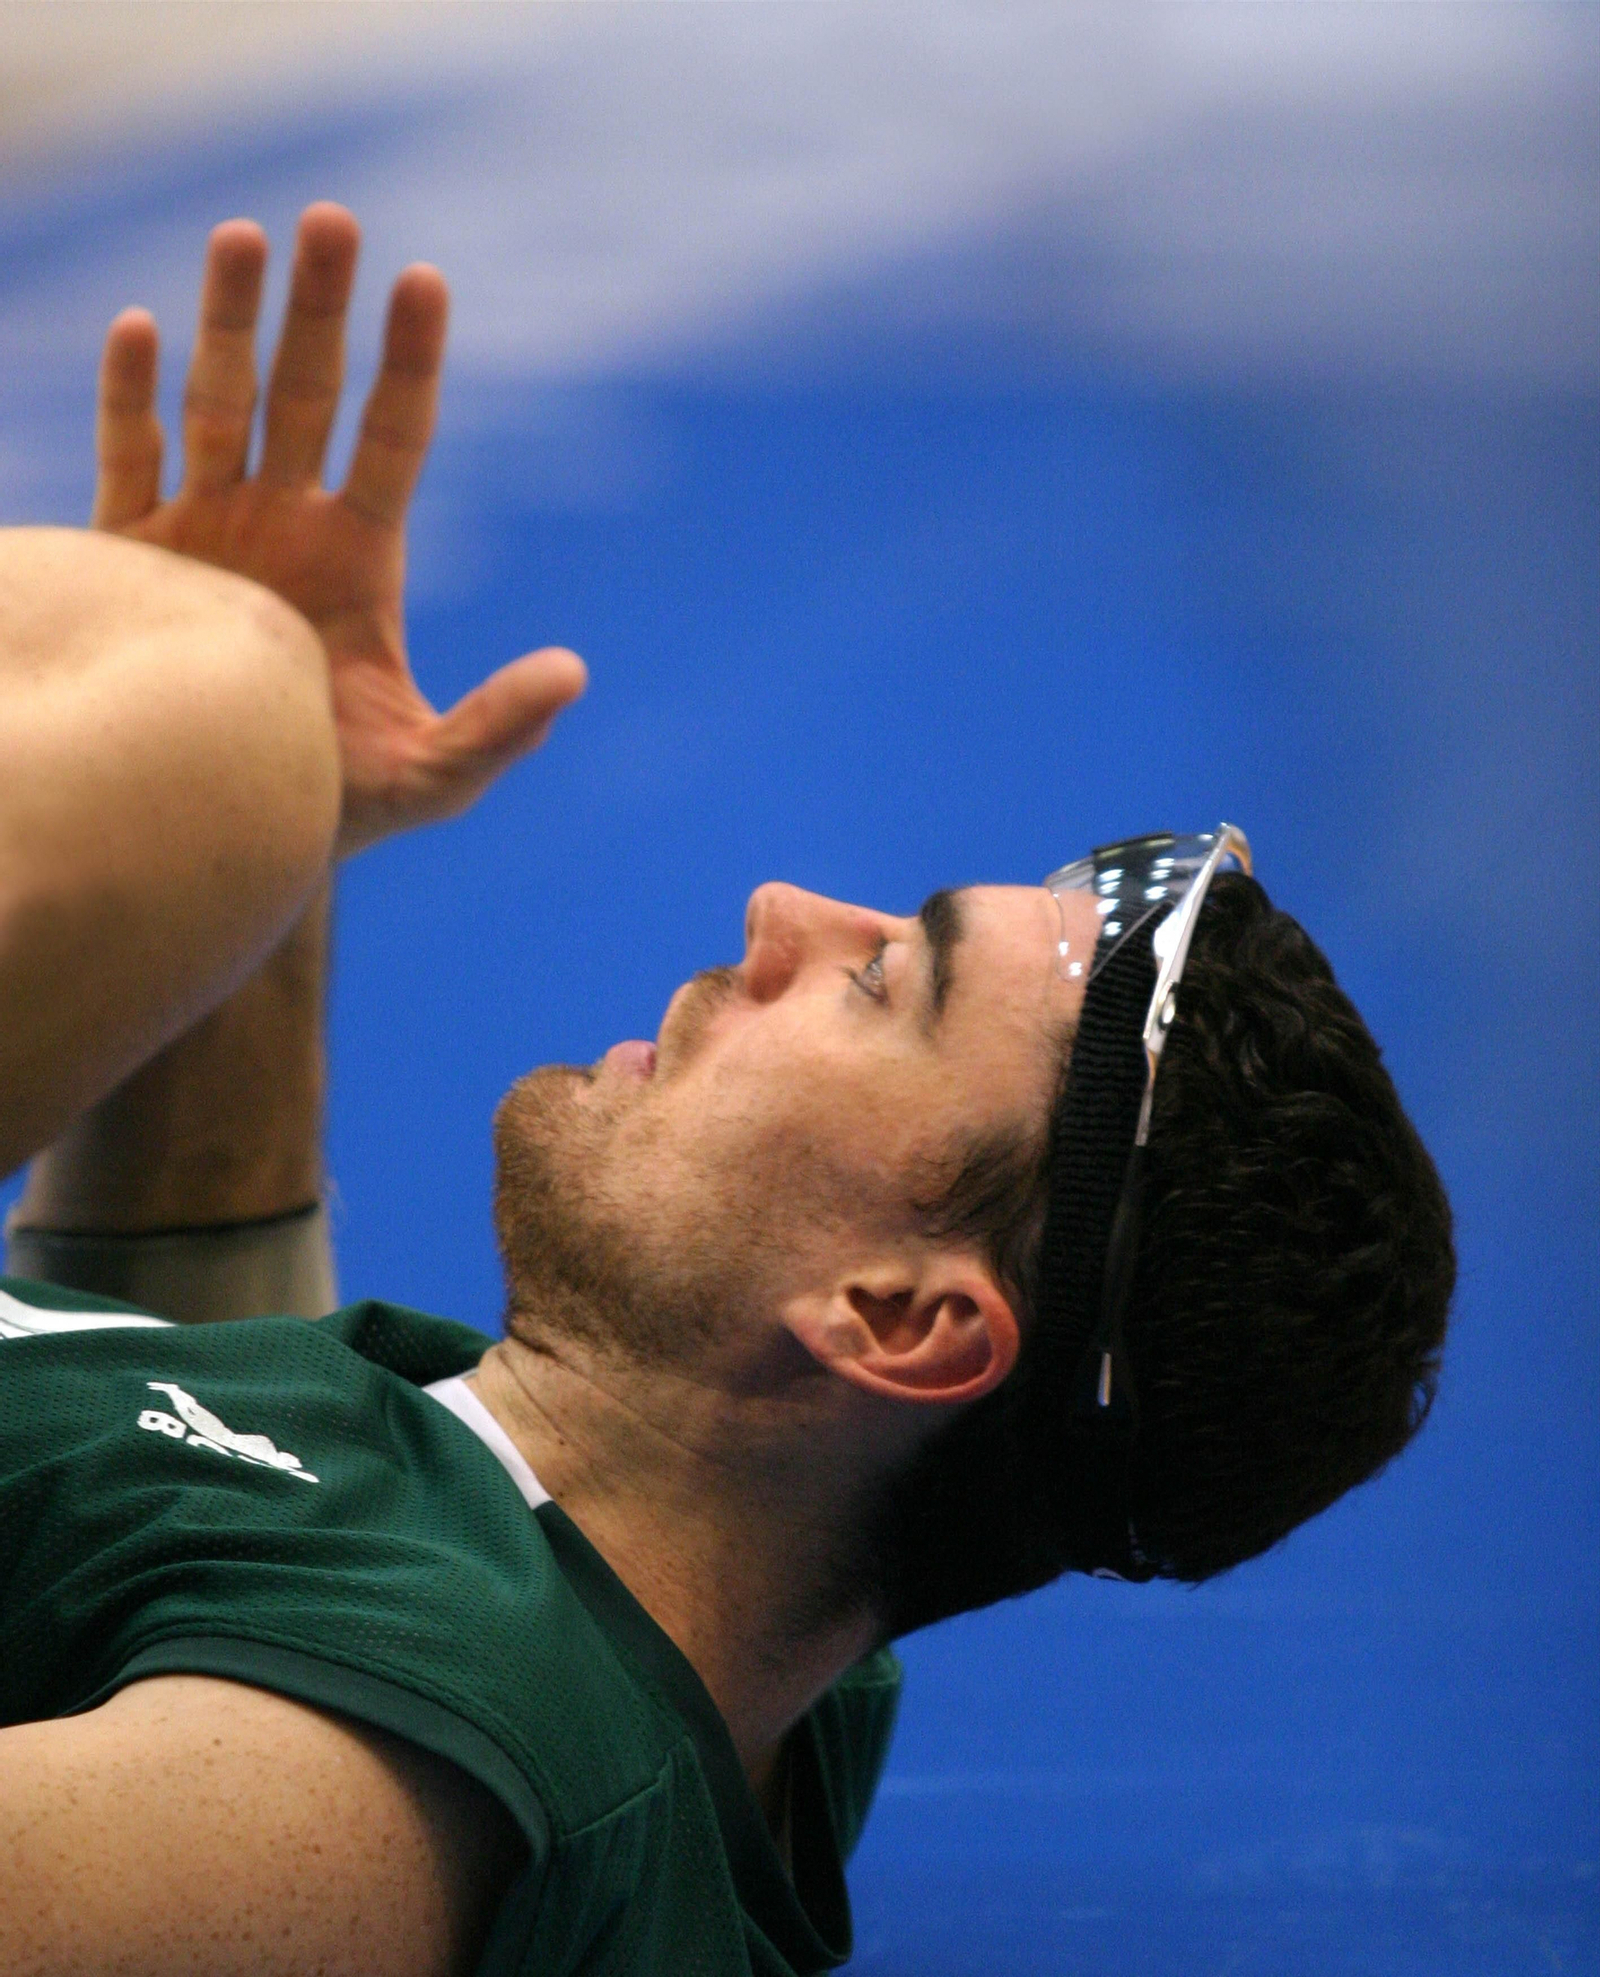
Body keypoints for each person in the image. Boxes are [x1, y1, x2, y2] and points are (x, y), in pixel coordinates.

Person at [0, 205, 1455, 1977]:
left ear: (899, 1321)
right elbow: (168, 1489)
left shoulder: (403, 1794)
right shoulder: (690, 1660)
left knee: (194, 717)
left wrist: (215, 771)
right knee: (231, 727)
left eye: (881, 978)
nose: (781, 916)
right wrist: (277, 841)